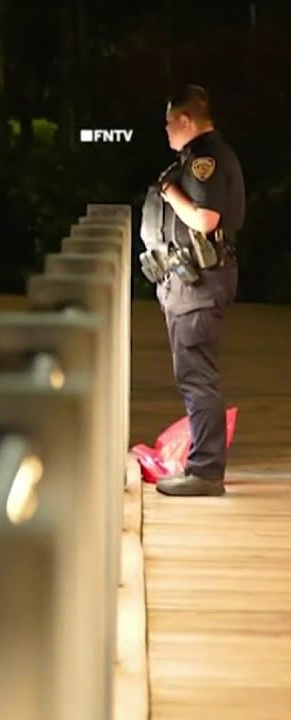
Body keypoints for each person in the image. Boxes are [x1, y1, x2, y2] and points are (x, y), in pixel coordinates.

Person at [151, 84, 245, 497]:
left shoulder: (205, 158)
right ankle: (203, 466)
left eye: (170, 123)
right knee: (194, 372)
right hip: (193, 282)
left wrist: (170, 193)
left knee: (196, 375)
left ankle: (205, 471)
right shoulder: (200, 156)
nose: (167, 131)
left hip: (200, 283)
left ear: (186, 121)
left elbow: (205, 220)